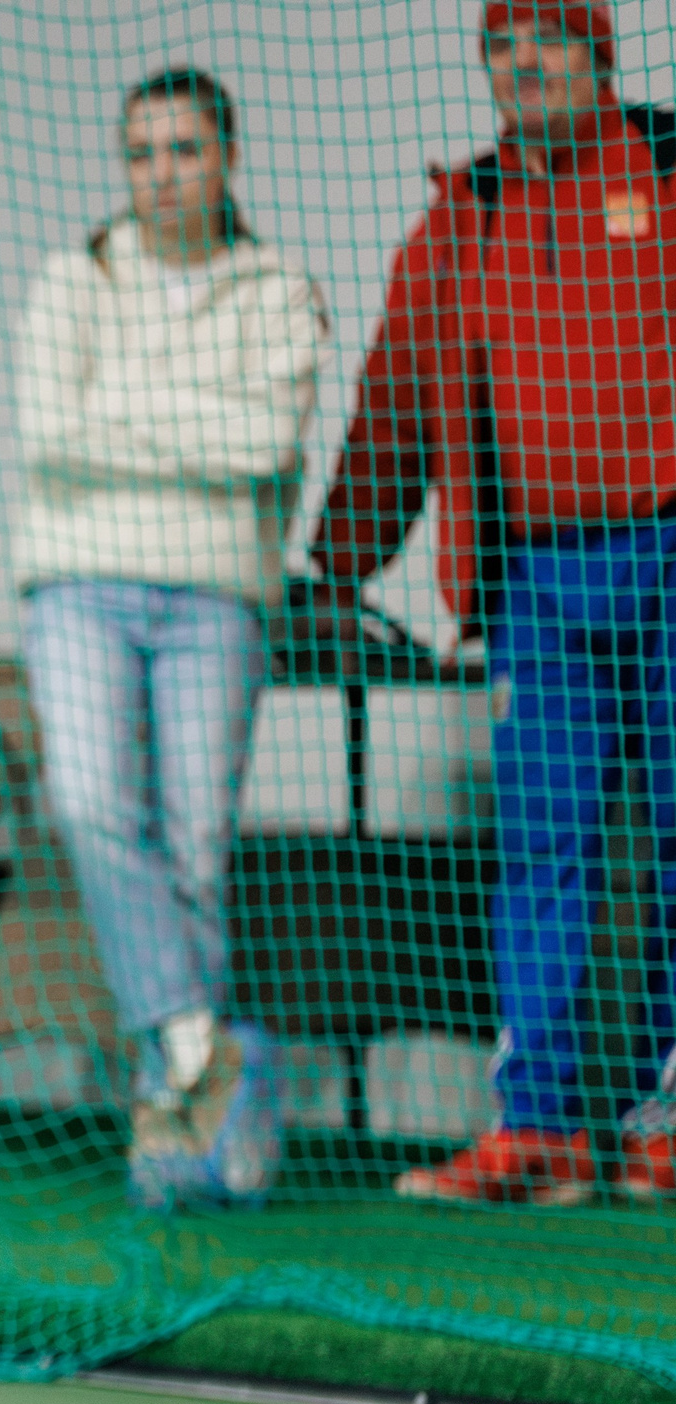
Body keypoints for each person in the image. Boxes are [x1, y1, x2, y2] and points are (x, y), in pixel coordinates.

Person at [313, 2, 676, 1204]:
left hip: (671, 557)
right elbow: (395, 401)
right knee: (543, 853)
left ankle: (665, 1119)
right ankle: (543, 1132)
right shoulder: (460, 214)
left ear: (601, 55)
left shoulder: (668, 173)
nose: (522, 63)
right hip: (539, 581)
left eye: (550, 40)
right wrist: (337, 565)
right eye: (500, 44)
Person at [12, 68, 325, 1209]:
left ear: (226, 157)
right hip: (78, 587)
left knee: (193, 845)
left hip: (214, 596)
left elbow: (265, 445)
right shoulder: (72, 281)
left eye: (184, 149)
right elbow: (50, 433)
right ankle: (203, 1048)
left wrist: (126, 415)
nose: (161, 173)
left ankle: (174, 1128)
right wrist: (200, 420)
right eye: (142, 152)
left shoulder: (277, 289)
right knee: (91, 806)